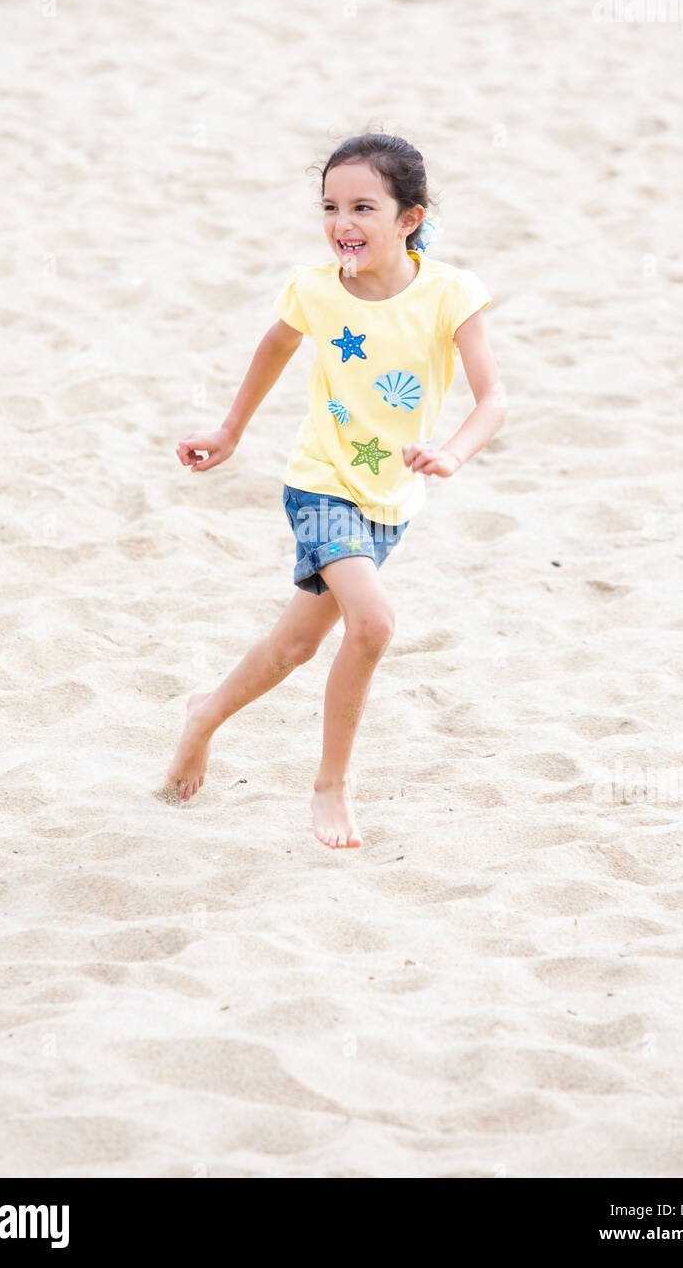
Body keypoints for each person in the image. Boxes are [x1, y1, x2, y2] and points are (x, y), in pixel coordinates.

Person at [164, 132, 507, 848]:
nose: (341, 222)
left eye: (362, 207)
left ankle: (203, 717)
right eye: (329, 206)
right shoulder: (315, 289)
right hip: (320, 483)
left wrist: (452, 453)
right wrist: (231, 432)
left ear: (408, 219)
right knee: (374, 624)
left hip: (391, 498)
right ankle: (332, 785)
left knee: (293, 646)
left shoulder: (450, 293)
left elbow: (493, 400)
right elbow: (275, 348)